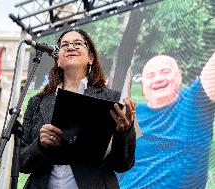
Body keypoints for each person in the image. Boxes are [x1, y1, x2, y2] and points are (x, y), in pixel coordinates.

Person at [19, 28, 136, 189]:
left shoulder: (112, 100)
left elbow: (123, 164)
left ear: (91, 58)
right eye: (64, 45)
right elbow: (22, 163)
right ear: (58, 60)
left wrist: (124, 133)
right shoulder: (37, 102)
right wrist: (40, 144)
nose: (70, 47)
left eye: (78, 43)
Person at [119, 53, 215, 188]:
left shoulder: (195, 102)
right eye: (150, 76)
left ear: (179, 76)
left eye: (165, 72)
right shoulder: (132, 113)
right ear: (143, 86)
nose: (158, 79)